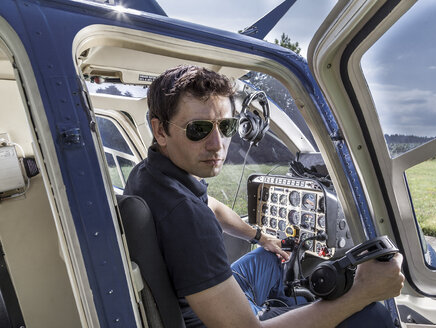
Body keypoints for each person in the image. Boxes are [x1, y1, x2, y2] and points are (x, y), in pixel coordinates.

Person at [124, 65, 405, 328]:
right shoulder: (186, 216)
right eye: (198, 129)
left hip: (202, 299)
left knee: (273, 257)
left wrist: (260, 237)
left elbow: (212, 205)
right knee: (372, 314)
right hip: (214, 317)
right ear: (160, 130)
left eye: (226, 127)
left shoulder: (148, 174)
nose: (217, 145)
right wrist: (363, 294)